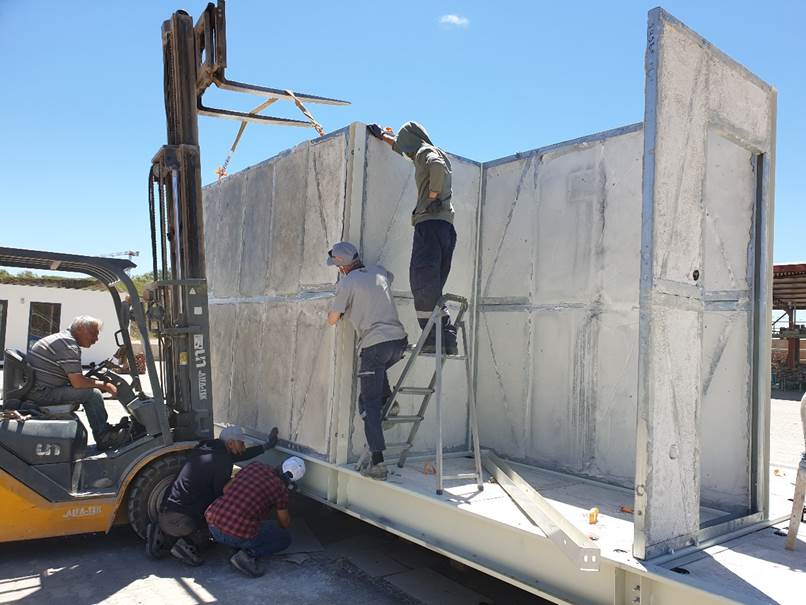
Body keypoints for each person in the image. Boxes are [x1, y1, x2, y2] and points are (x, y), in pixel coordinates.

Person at [368, 121, 458, 354]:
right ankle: (445, 338)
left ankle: (433, 338)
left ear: (412, 140)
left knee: (422, 280)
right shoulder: (427, 151)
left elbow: (435, 166)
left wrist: (432, 195)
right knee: (432, 285)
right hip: (444, 228)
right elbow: (404, 150)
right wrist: (383, 137)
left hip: (429, 224)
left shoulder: (426, 152)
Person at [326, 242, 408, 480]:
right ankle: (389, 404)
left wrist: (341, 308)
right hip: (398, 343)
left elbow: (332, 319)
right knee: (376, 375)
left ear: (341, 266)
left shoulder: (347, 282)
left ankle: (378, 464)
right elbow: (388, 278)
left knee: (368, 404)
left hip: (374, 345)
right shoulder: (379, 270)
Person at [146, 425, 279, 566]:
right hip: (181, 520)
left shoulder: (207, 450)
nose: (244, 447)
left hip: (166, 511)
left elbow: (241, 454)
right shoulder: (222, 461)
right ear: (230, 443)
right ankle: (185, 545)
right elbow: (222, 495)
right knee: (220, 524)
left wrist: (266, 446)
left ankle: (161, 532)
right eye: (241, 443)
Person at [27, 315, 129, 451]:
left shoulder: (63, 340)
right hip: (43, 393)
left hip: (43, 388)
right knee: (93, 394)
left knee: (93, 389)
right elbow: (78, 383)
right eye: (93, 334)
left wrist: (95, 382)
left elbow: (75, 378)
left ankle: (104, 429)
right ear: (80, 329)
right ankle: (103, 437)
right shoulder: (68, 345)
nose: (96, 339)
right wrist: (106, 385)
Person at [205, 456, 306, 578]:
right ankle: (247, 555)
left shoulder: (255, 466)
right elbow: (284, 523)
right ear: (292, 481)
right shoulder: (281, 490)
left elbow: (226, 489)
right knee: (283, 538)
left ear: (281, 465)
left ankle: (229, 543)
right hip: (234, 534)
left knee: (246, 522)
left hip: (212, 523)